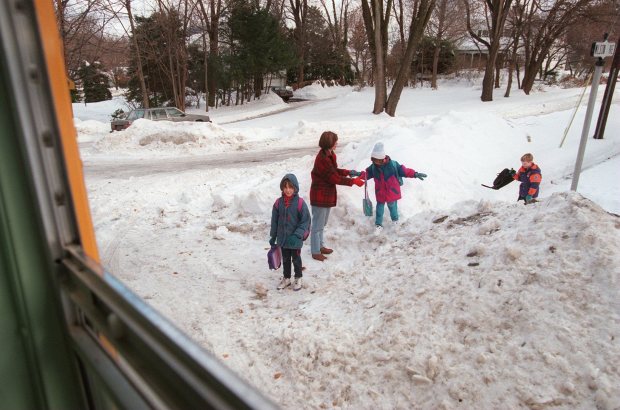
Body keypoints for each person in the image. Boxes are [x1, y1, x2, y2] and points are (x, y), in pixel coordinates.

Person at [309, 131, 364, 261]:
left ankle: (320, 246)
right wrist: (353, 181)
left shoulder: (329, 155)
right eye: (335, 142)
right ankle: (315, 251)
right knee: (317, 225)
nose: (337, 144)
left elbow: (334, 171)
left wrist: (349, 172)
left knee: (322, 223)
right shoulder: (323, 159)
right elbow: (333, 177)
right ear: (330, 143)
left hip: (326, 195)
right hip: (320, 196)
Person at [361, 142, 427, 229]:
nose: (375, 163)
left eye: (377, 161)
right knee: (379, 209)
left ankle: (395, 220)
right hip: (380, 192)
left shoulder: (393, 165)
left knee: (392, 207)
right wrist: (358, 174)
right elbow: (367, 174)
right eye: (374, 161)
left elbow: (405, 171)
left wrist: (415, 174)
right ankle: (378, 225)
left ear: (382, 158)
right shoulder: (373, 167)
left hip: (392, 192)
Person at [270, 174, 311, 291]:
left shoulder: (300, 203)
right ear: (282, 188)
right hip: (283, 238)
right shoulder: (278, 203)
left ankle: (298, 277)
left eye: (290, 187)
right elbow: (274, 221)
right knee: (286, 259)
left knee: (296, 259)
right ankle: (287, 278)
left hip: (295, 239)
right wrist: (273, 236)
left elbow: (305, 221)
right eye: (285, 187)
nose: (288, 190)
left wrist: (298, 235)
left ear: (295, 188)